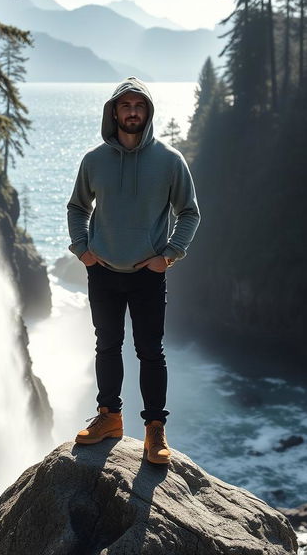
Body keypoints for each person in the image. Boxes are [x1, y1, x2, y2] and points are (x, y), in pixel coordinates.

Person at [66, 76, 200, 465]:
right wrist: (83, 250)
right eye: (125, 106)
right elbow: (78, 207)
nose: (132, 112)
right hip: (103, 270)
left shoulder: (170, 161)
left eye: (139, 105)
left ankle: (155, 429)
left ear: (148, 112)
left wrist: (170, 255)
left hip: (147, 273)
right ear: (113, 112)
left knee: (150, 352)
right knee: (106, 345)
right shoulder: (94, 160)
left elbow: (189, 212)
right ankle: (109, 417)